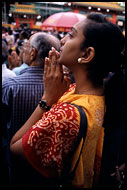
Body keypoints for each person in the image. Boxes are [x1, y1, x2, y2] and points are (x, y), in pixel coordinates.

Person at [10, 13, 125, 189]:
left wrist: (47, 100)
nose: (62, 40)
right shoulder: (99, 94)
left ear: (87, 54)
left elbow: (15, 147)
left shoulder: (69, 115)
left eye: (71, 34)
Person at [2, 32, 60, 188]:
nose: (23, 50)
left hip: (14, 166)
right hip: (48, 168)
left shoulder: (10, 87)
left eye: (26, 46)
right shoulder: (64, 88)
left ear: (33, 53)